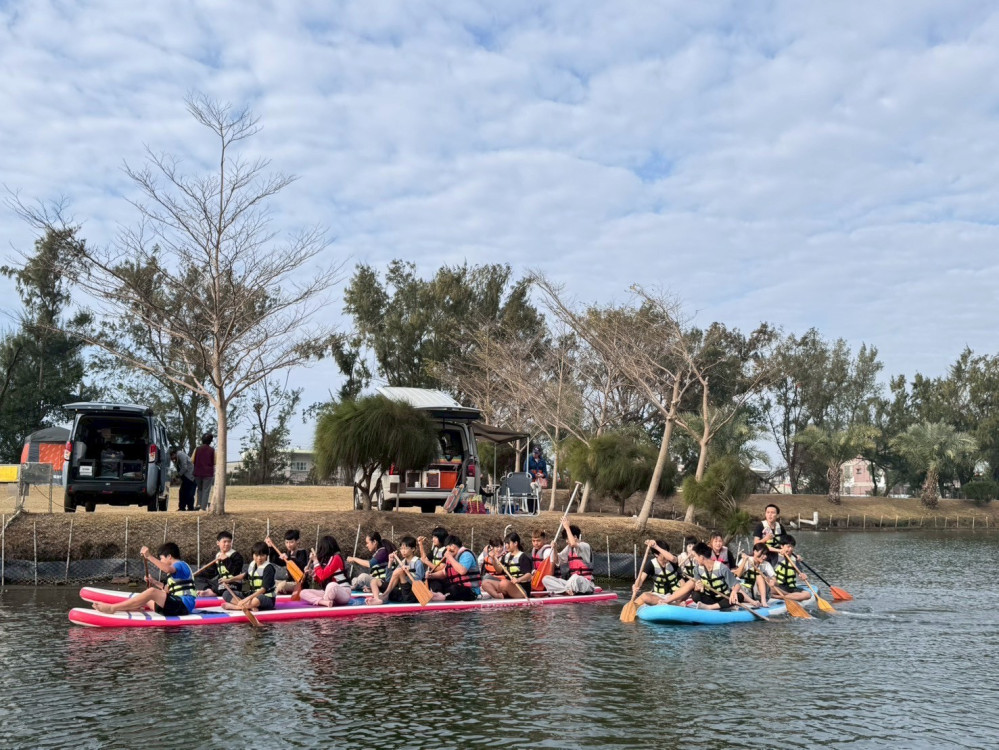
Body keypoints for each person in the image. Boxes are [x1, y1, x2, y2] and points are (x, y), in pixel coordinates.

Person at [93, 543, 196, 615]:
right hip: (174, 606)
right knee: (144, 598)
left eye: (161, 558)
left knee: (151, 592)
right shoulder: (176, 571)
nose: (161, 561)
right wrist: (153, 582)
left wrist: (149, 556)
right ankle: (127, 608)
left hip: (183, 605)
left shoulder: (180, 564)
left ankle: (113, 608)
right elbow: (167, 589)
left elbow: (166, 569)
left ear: (169, 556)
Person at [689, 541, 760, 610]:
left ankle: (711, 607)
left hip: (723, 598)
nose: (694, 559)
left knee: (739, 596)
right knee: (695, 595)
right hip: (710, 598)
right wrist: (697, 587)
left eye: (695, 556)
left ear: (701, 557)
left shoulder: (722, 568)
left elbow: (737, 585)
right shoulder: (697, 569)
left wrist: (734, 592)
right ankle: (722, 606)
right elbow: (697, 588)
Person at [367, 536, 426, 605]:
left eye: (406, 548)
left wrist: (407, 573)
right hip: (401, 593)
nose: (403, 551)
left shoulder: (418, 562)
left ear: (413, 549)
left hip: (411, 595)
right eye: (401, 549)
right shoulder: (402, 562)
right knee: (374, 581)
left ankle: (385, 595)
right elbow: (388, 579)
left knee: (399, 571)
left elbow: (419, 581)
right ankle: (377, 599)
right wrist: (390, 562)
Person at [542, 518, 595, 596]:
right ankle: (565, 591)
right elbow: (557, 561)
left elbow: (573, 543)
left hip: (586, 583)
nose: (566, 541)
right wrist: (555, 549)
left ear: (575, 537)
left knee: (575, 577)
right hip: (571, 583)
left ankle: (565, 590)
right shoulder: (569, 549)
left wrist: (567, 527)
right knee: (546, 579)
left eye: (567, 539)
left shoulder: (585, 546)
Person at [222, 542, 276, 612]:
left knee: (257, 599)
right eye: (256, 555)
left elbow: (263, 590)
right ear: (253, 555)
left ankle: (236, 607)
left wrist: (247, 599)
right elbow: (244, 576)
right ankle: (249, 606)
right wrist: (229, 580)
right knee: (226, 594)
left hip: (265, 597)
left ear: (267, 555)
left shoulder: (269, 568)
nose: (259, 558)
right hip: (251, 594)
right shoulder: (252, 564)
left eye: (262, 555)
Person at [300, 535, 352, 607]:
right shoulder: (326, 560)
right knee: (303, 592)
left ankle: (326, 600)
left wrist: (315, 560)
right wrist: (312, 573)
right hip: (328, 592)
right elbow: (322, 580)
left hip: (343, 592)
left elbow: (322, 575)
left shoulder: (336, 558)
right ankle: (324, 602)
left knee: (332, 585)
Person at [631, 539, 684, 608]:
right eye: (663, 553)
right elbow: (641, 579)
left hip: (675, 595)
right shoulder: (651, 564)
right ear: (656, 554)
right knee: (644, 596)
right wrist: (636, 585)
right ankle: (672, 604)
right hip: (659, 596)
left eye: (667, 551)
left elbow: (672, 558)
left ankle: (672, 602)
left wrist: (655, 546)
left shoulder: (672, 559)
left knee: (685, 587)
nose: (666, 555)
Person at [480, 532, 532, 600]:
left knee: (503, 583)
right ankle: (498, 596)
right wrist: (494, 559)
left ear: (515, 543)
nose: (506, 546)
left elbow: (529, 575)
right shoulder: (506, 556)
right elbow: (499, 571)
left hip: (521, 588)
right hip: (508, 585)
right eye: (506, 543)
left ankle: (508, 593)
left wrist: (518, 580)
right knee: (485, 583)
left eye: (508, 543)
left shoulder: (523, 557)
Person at [430, 534, 481, 601]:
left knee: (454, 588)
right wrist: (431, 575)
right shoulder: (451, 557)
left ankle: (443, 597)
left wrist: (450, 557)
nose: (447, 551)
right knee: (434, 579)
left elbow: (462, 571)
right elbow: (444, 573)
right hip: (454, 587)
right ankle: (438, 594)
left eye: (447, 549)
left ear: (453, 546)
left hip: (470, 590)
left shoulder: (466, 555)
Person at [195, 530, 244, 597]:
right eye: (224, 541)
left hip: (233, 584)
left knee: (224, 589)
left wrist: (226, 560)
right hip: (220, 583)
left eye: (229, 542)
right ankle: (208, 590)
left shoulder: (236, 556)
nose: (227, 544)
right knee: (198, 577)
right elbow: (211, 572)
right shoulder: (218, 556)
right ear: (218, 543)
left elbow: (235, 572)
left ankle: (214, 592)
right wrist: (200, 573)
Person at [266, 529, 310, 595]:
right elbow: (277, 561)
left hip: (299, 583)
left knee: (281, 586)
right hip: (289, 581)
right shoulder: (289, 552)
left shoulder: (303, 552)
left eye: (291, 542)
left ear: (297, 541)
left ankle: (274, 598)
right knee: (270, 583)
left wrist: (288, 558)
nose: (288, 545)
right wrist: (271, 547)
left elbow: (300, 565)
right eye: (286, 542)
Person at [770, 536, 812, 603]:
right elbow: (762, 548)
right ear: (782, 546)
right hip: (779, 587)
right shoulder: (774, 556)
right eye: (788, 547)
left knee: (808, 595)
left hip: (791, 588)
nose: (790, 549)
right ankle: (792, 596)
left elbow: (800, 572)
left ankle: (779, 597)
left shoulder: (795, 559)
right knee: (770, 588)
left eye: (792, 547)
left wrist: (802, 575)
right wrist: (778, 550)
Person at [417, 527, 449, 593]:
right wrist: (420, 544)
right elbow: (424, 558)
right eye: (433, 537)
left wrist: (426, 562)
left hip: (441, 579)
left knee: (434, 585)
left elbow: (440, 569)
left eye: (435, 537)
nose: (433, 539)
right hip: (432, 576)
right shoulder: (435, 549)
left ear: (441, 538)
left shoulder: (445, 551)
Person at [192, 432, 216, 511]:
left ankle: (198, 504)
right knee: (206, 490)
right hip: (208, 473)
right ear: (210, 441)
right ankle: (203, 507)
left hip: (198, 472)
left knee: (199, 489)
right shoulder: (212, 450)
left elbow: (192, 460)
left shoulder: (197, 449)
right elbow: (215, 461)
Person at [169, 445, 196, 512]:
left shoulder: (180, 455)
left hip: (190, 476)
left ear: (174, 454)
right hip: (187, 477)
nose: (172, 459)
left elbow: (184, 467)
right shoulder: (177, 458)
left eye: (171, 457)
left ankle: (190, 507)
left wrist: (178, 475)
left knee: (189, 493)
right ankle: (182, 507)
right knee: (182, 492)